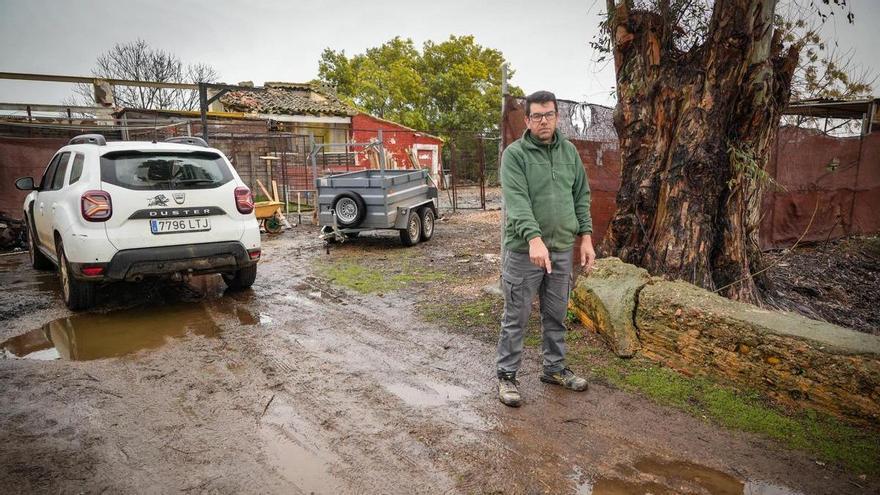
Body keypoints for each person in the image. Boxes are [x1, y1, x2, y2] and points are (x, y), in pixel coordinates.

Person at [496, 90, 595, 407]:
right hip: (525, 252)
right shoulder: (515, 155)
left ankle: (554, 369)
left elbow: (581, 195)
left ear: (557, 116)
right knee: (517, 317)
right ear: (527, 120)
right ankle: (507, 376)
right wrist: (533, 238)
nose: (543, 121)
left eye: (548, 114)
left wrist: (587, 237)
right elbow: (518, 202)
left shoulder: (569, 153)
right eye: (536, 116)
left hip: (562, 249)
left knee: (556, 314)